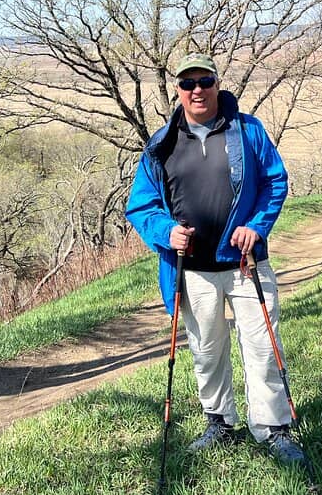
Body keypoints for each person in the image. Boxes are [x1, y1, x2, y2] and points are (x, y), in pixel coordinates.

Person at [125, 52, 306, 466]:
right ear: (177, 90)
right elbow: (141, 206)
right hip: (193, 269)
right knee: (207, 349)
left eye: (204, 81)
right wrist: (165, 232)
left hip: (246, 265)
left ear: (217, 83)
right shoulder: (161, 144)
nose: (197, 90)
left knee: (262, 347)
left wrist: (257, 226)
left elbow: (275, 181)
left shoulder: (248, 130)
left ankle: (273, 428)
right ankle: (220, 422)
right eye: (187, 84)